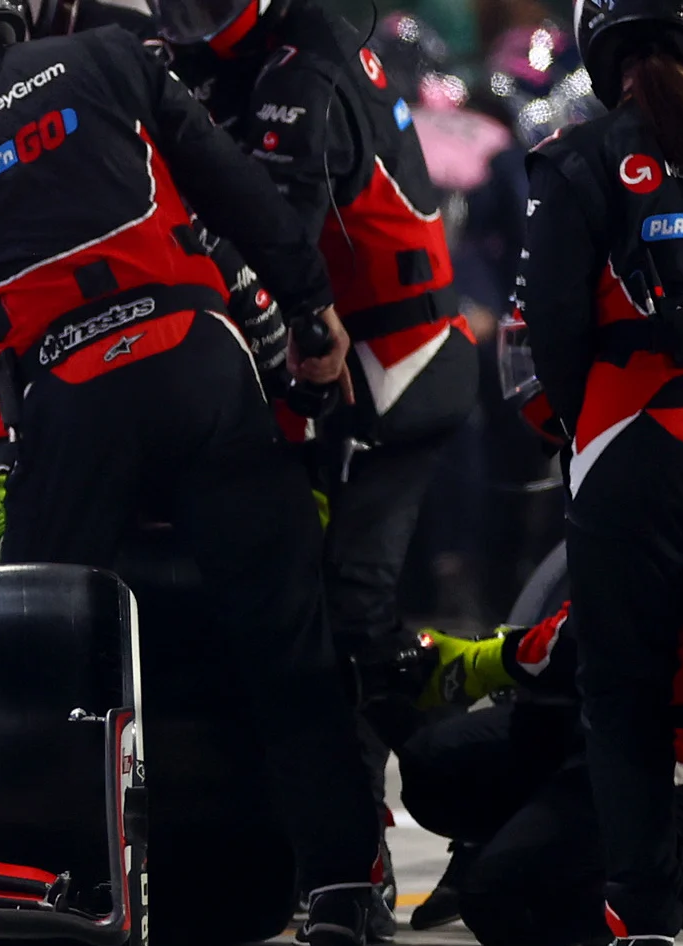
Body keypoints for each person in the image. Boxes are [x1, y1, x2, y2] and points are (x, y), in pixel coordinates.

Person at [0, 0, 388, 946]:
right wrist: (310, 309)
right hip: (198, 357)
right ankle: (338, 882)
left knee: (36, 661)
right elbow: (234, 187)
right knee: (288, 632)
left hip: (72, 395)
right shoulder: (107, 57)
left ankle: (43, 886)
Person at [150, 0, 481, 792]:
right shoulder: (267, 52)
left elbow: (268, 245)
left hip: (390, 362)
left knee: (347, 611)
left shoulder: (304, 76)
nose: (192, 19)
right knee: (319, 602)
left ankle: (455, 784)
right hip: (352, 354)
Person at [515, 0, 683, 946]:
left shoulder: (574, 158)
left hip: (633, 436)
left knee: (623, 694)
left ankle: (641, 918)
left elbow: (552, 332)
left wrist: (590, 435)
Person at [398, 608, 683, 946]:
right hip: (602, 723)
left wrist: (481, 660)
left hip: (675, 756)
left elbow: (588, 629)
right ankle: (550, 849)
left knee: (500, 908)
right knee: (432, 765)